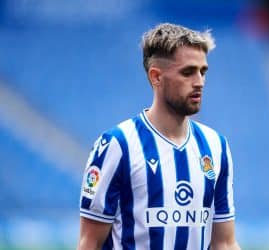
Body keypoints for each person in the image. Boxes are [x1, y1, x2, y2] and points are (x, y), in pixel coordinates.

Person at [77, 23, 241, 250]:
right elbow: (90, 243)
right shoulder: (117, 145)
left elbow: (224, 243)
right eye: (188, 72)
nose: (199, 82)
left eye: (203, 71)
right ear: (156, 77)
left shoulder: (216, 146)